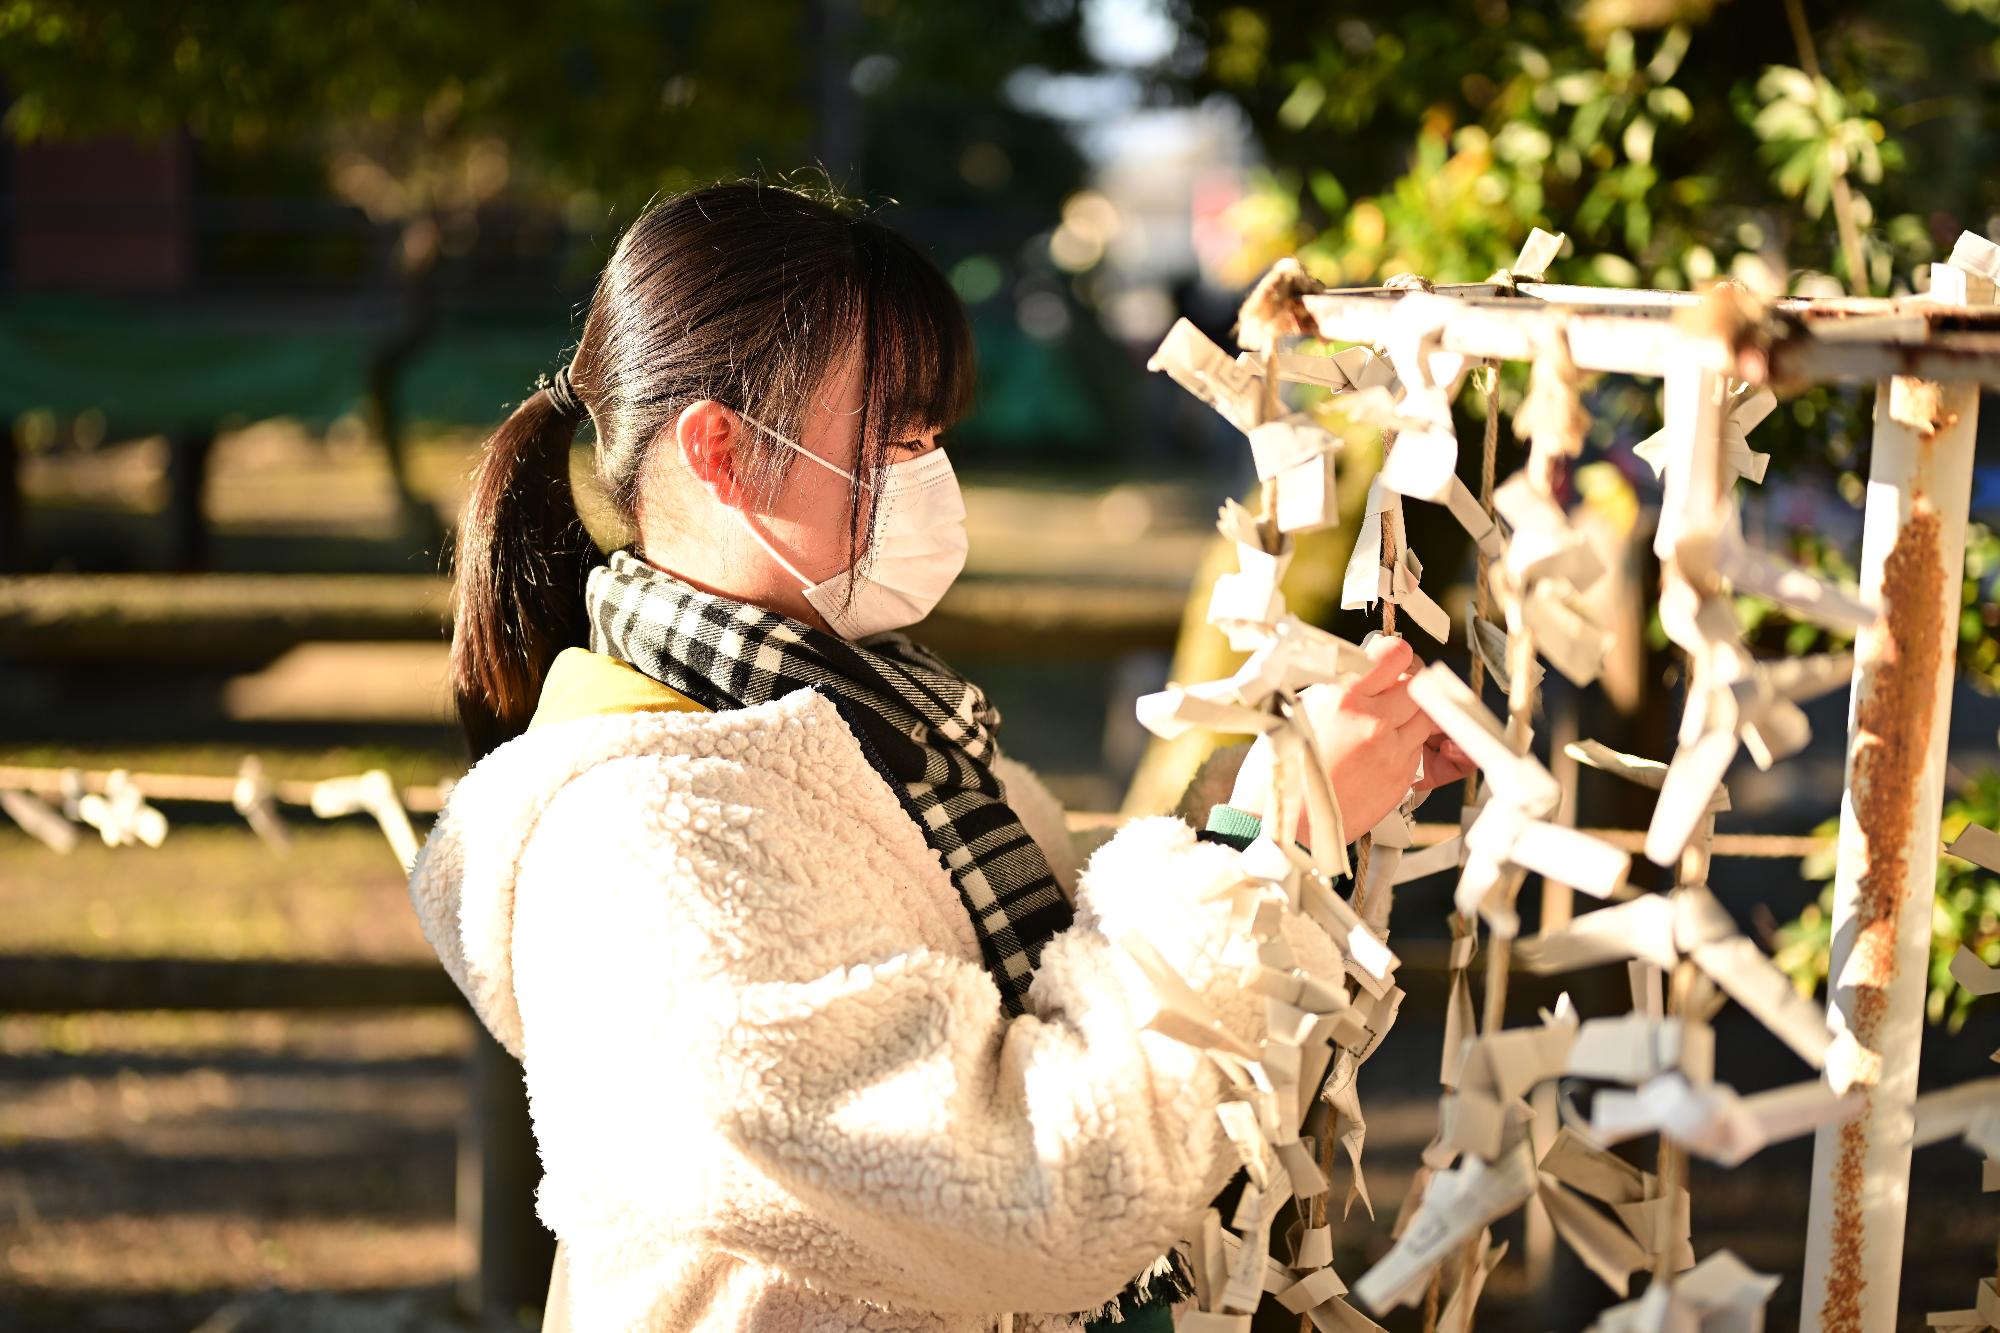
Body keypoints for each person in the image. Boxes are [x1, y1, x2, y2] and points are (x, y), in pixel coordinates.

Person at [408, 180, 1469, 1333]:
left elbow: (1087, 1034)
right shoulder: (644, 842)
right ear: (719, 447)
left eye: (935, 436)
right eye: (895, 435)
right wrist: (1273, 833)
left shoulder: (894, 741)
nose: (933, 472)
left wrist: (1263, 825)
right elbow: (1035, 1197)